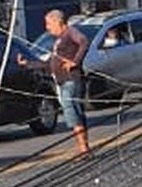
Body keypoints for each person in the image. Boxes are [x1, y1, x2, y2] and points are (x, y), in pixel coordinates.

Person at [18, 10, 90, 158]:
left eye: (49, 24)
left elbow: (84, 42)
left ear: (58, 22)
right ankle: (83, 148)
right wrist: (27, 64)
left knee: (72, 112)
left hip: (71, 80)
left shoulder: (70, 32)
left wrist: (75, 62)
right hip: (63, 82)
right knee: (74, 112)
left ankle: (84, 149)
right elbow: (48, 64)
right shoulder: (58, 41)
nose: (47, 28)